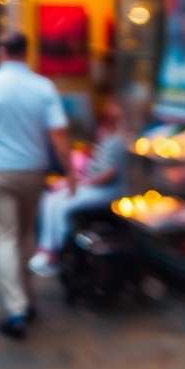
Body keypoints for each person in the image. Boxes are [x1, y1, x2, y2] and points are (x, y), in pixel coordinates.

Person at [0, 31, 76, 339]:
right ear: (26, 52)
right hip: (33, 171)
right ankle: (27, 299)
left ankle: (16, 309)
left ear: (1, 51)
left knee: (5, 238)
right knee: (27, 233)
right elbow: (58, 134)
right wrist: (69, 171)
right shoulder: (43, 87)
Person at [29, 101, 131, 277]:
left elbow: (110, 173)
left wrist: (84, 182)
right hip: (92, 185)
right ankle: (47, 248)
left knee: (62, 205)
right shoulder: (106, 137)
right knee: (51, 200)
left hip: (104, 190)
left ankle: (57, 249)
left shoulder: (118, 141)